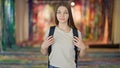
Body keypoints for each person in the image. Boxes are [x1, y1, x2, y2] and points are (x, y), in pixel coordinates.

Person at [41, 1, 86, 68]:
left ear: (69, 15)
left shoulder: (76, 33)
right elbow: (44, 53)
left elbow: (80, 56)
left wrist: (83, 48)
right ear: (56, 14)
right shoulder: (50, 31)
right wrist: (43, 47)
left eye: (65, 12)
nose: (62, 15)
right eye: (59, 12)